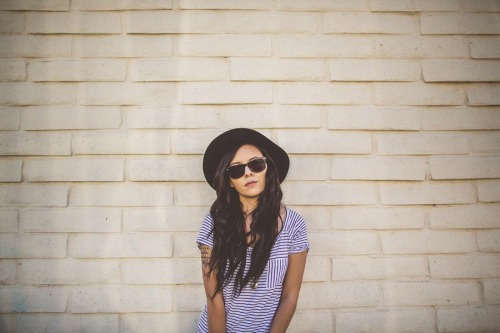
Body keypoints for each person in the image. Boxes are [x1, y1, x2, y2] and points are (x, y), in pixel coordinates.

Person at [196, 128, 309, 333]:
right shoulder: (214, 223)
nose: (248, 172)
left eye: (256, 164)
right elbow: (214, 298)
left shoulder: (294, 225)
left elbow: (290, 296)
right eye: (237, 170)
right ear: (230, 181)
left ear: (267, 168)